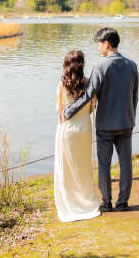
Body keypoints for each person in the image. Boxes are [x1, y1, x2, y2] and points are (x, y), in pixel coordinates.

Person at [61, 27, 139, 212]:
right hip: (126, 122)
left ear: (106, 44)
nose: (98, 48)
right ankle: (122, 203)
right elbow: (134, 95)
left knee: (104, 164)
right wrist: (132, 117)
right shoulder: (132, 65)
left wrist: (68, 112)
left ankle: (106, 202)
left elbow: (88, 95)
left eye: (98, 44)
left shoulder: (101, 67)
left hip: (105, 125)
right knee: (126, 163)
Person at [53, 50, 102, 222]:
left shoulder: (61, 84)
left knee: (66, 168)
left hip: (67, 131)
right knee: (83, 168)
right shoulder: (88, 83)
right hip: (83, 130)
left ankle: (69, 202)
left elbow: (60, 111)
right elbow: (90, 108)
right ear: (82, 65)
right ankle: (85, 201)